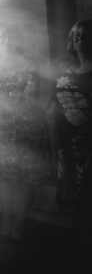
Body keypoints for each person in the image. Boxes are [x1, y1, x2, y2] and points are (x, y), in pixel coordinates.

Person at [0, 22, 52, 242]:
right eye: (2, 37)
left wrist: (4, 100)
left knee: (24, 176)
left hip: (25, 127)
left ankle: (19, 223)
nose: (6, 41)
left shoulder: (29, 64)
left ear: (17, 40)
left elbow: (31, 94)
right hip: (0, 127)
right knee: (3, 174)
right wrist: (3, 100)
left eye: (10, 37)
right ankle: (6, 220)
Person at [52, 19, 92, 234]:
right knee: (69, 190)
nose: (79, 40)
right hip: (66, 138)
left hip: (87, 140)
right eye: (76, 36)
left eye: (84, 36)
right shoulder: (63, 67)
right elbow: (54, 100)